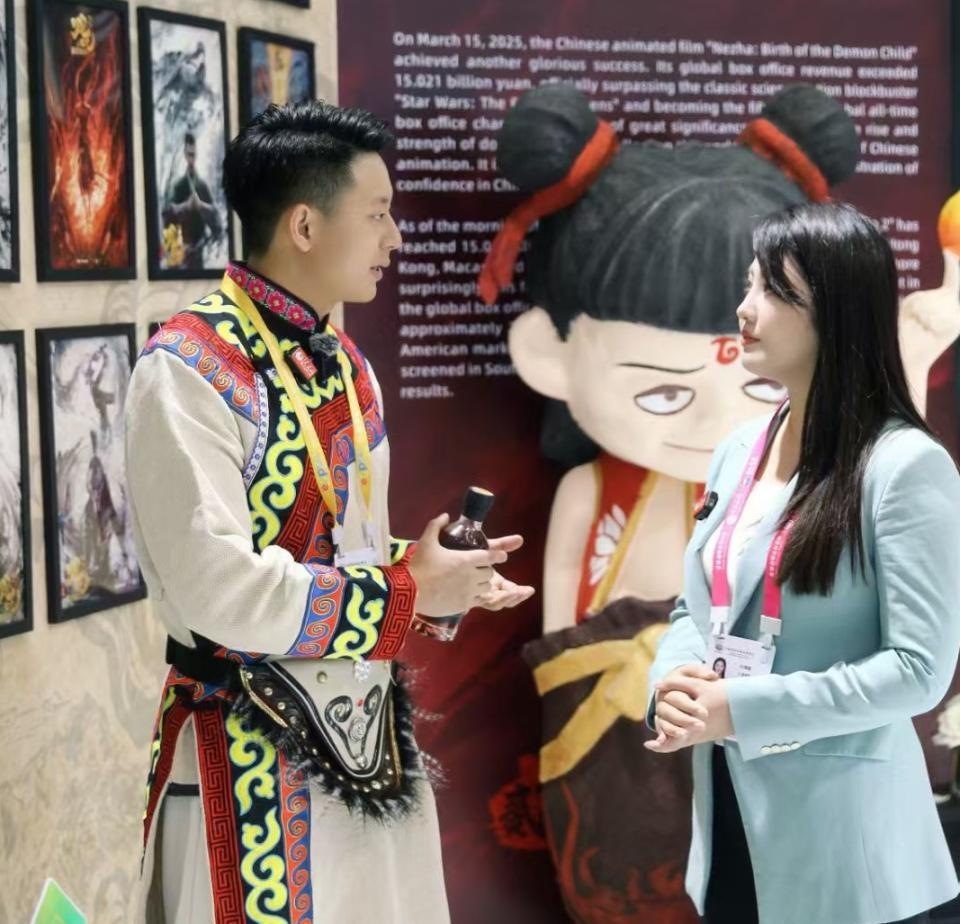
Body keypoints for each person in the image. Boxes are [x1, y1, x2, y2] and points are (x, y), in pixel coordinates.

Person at [126, 100, 533, 923]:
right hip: (244, 745)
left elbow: (341, 545)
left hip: (365, 735)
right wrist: (406, 592)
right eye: (377, 214)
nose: (396, 238)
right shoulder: (187, 370)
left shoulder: (344, 361)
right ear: (305, 225)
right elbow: (218, 591)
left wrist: (434, 573)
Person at [487, 82, 860, 921]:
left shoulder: (808, 489)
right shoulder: (590, 492)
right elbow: (560, 654)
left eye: (758, 387)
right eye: (662, 393)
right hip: (623, 778)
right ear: (550, 354)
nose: (714, 422)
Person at [646, 201, 960, 924]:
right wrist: (673, 681)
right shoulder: (739, 448)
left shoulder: (904, 466)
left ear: (837, 312)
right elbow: (699, 605)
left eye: (774, 291)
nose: (744, 308)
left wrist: (741, 708)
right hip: (728, 812)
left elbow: (919, 670)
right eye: (749, 283)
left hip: (845, 842)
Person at [161, 131, 222, 270]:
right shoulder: (177, 186)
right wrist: (185, 206)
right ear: (184, 154)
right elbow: (167, 215)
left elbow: (216, 220)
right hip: (179, 256)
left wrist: (201, 206)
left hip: (199, 254)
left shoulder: (202, 186)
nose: (191, 159)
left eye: (193, 154)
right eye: (189, 154)